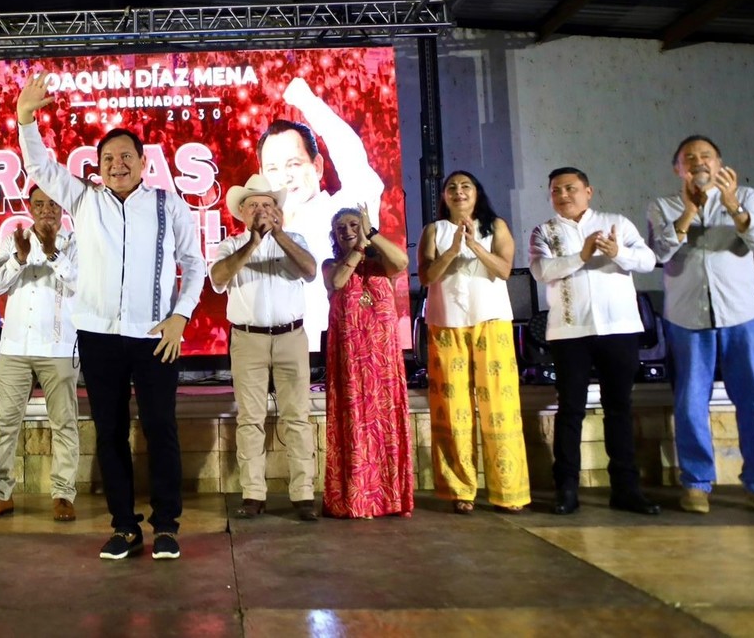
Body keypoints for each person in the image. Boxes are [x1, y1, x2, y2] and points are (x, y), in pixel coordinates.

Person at [17, 74, 206, 561]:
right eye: (108, 159)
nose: (117, 164)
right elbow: (39, 164)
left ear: (144, 163)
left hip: (153, 338)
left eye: (126, 156)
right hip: (98, 337)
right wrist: (26, 118)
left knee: (161, 428)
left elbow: (195, 263)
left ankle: (166, 525)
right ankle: (125, 526)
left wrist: (181, 316)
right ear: (97, 167)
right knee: (110, 431)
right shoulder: (84, 199)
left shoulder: (169, 205)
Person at [646, 135, 754, 515]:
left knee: (753, 401)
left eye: (706, 156)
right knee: (691, 402)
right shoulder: (663, 205)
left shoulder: (747, 196)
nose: (698, 162)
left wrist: (732, 206)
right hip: (687, 318)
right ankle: (696, 485)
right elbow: (660, 252)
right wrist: (689, 212)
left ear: (720, 163)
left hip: (742, 316)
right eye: (688, 158)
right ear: (678, 168)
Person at [529, 168, 660, 516]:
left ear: (589, 191)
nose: (563, 195)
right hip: (570, 333)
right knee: (570, 409)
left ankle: (626, 488)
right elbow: (542, 271)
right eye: (556, 190)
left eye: (571, 188)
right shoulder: (544, 231)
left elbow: (647, 260)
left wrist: (618, 252)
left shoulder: (615, 222)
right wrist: (582, 256)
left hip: (618, 329)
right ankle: (567, 488)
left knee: (619, 408)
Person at [418, 170, 530, 514]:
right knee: (454, 410)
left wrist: (475, 246)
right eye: (451, 187)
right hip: (447, 322)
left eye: (465, 186)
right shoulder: (434, 230)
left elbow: (504, 270)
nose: (458, 191)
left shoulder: (495, 226)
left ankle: (508, 491)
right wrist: (452, 250)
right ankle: (459, 490)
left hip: (491, 321)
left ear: (477, 193)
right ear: (444, 196)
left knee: (500, 406)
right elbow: (426, 276)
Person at [209, 175, 319, 521]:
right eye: (254, 205)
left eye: (268, 205)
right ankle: (253, 494)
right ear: (242, 213)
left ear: (279, 211)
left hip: (291, 337)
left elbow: (311, 270)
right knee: (250, 420)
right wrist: (253, 243)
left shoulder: (295, 240)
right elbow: (218, 278)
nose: (261, 211)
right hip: (248, 339)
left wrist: (280, 235)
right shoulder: (230, 245)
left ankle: (303, 495)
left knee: (297, 417)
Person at [0, 185, 80, 522]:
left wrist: (52, 252)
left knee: (64, 423)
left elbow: (80, 283)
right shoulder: (14, 240)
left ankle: (63, 494)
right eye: (39, 204)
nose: (46, 209)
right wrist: (20, 258)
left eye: (52, 203)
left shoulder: (76, 243)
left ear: (62, 207)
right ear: (31, 208)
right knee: (4, 424)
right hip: (15, 347)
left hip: (59, 346)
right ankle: (1, 495)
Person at [259, 77, 385, 353]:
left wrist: (307, 102)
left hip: (344, 351)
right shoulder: (260, 236)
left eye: (294, 163)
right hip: (280, 355)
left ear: (316, 166)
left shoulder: (342, 212)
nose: (285, 177)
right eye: (273, 169)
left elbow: (353, 158)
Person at [322, 204, 413, 519]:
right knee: (353, 424)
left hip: (383, 364)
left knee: (384, 424)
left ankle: (389, 499)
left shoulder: (382, 265)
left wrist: (371, 233)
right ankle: (355, 500)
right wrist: (359, 247)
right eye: (340, 228)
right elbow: (337, 282)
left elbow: (402, 261)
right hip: (350, 365)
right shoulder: (331, 264)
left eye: (352, 224)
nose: (347, 231)